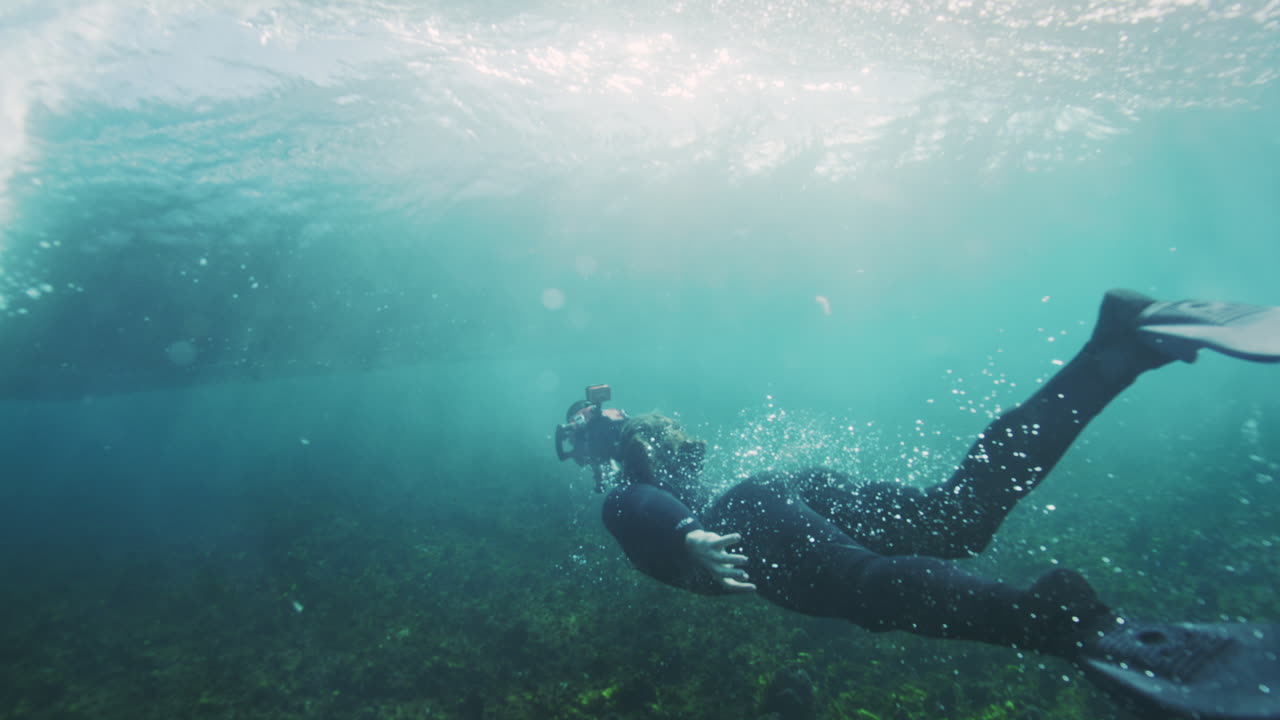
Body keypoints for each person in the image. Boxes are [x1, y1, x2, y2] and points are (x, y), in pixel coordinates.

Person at [554, 289, 1280, 720]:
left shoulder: (626, 483)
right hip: (782, 491)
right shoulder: (672, 456)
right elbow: (653, 484)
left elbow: (633, 506)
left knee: (866, 588)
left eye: (577, 444)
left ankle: (1079, 629)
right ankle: (1116, 350)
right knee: (957, 519)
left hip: (742, 519)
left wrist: (684, 534)